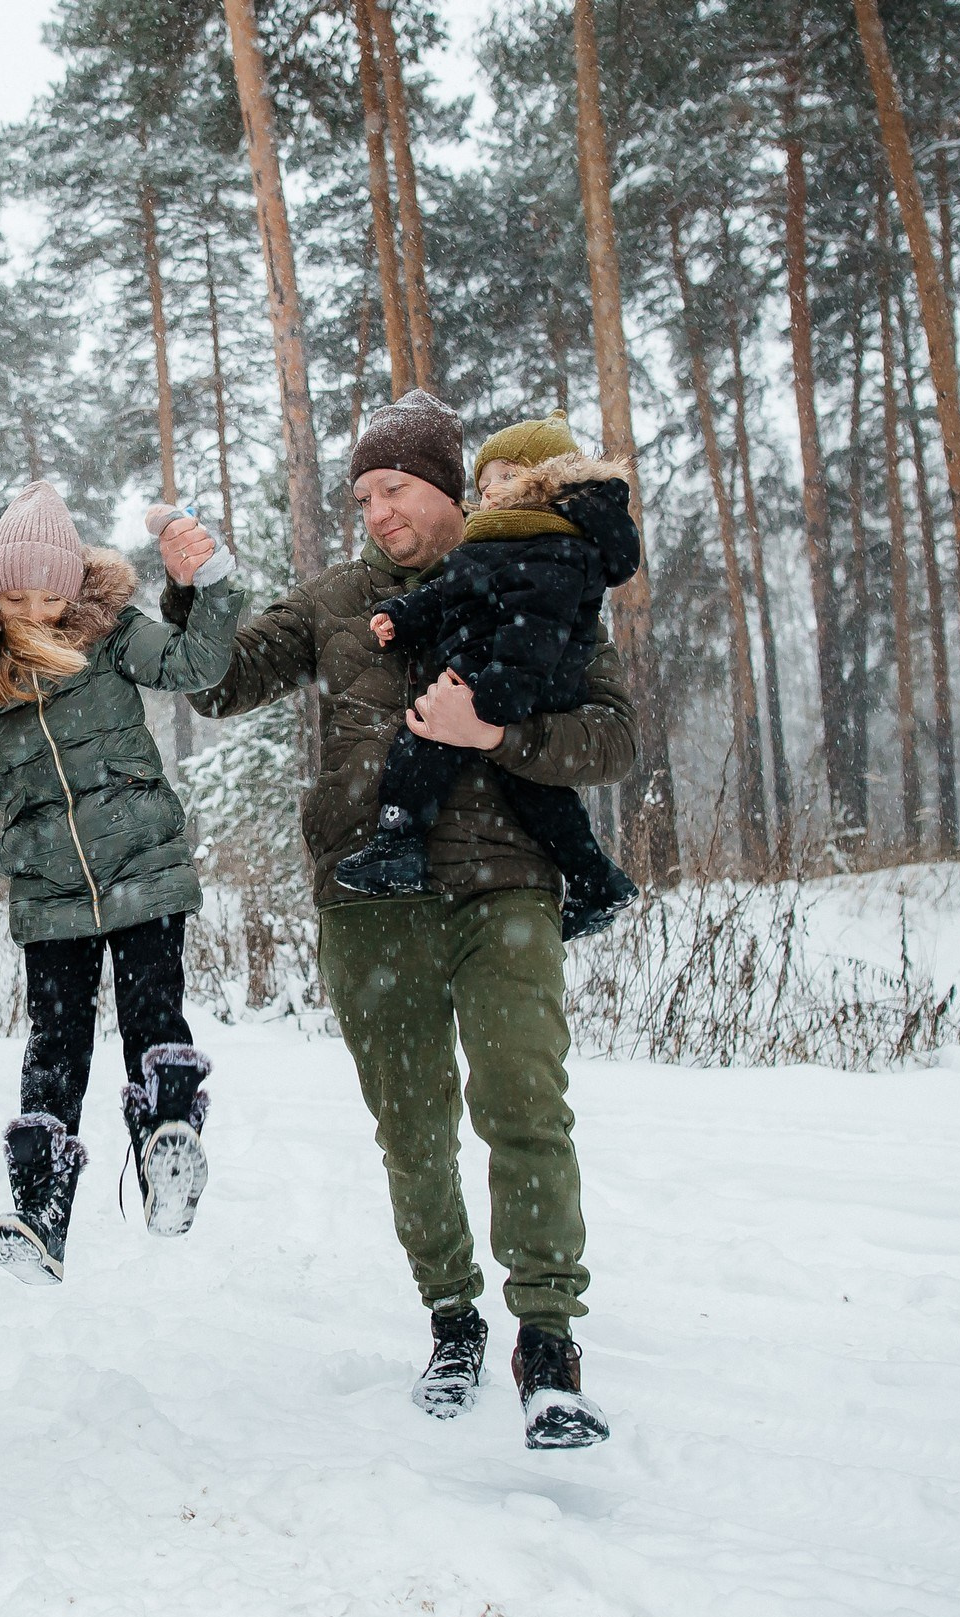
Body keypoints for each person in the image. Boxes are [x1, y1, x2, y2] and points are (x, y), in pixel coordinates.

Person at [172, 390, 631, 1448]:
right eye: (363, 496)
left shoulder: (539, 566)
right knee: (413, 1127)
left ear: (449, 489)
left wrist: (497, 735)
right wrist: (196, 591)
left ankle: (549, 1343)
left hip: (502, 881)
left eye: (396, 489)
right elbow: (220, 683)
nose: (377, 511)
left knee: (524, 1103)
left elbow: (612, 738)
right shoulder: (336, 600)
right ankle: (452, 1318)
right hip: (367, 897)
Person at [0, 481, 246, 1282]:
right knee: (55, 1046)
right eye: (14, 596)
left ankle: (167, 1148)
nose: (31, 611)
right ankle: (40, 1212)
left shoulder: (111, 634)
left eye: (48, 595)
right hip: (48, 890)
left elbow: (195, 661)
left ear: (73, 587)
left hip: (143, 867)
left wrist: (213, 584)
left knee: (153, 1012)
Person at [335, 411, 642, 940]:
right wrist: (403, 617)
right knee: (535, 794)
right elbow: (449, 592)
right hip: (495, 676)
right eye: (484, 483)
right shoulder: (497, 542)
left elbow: (537, 628)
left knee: (421, 741)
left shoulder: (553, 547)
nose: (492, 490)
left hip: (506, 681)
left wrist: (493, 702)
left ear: (547, 482)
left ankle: (398, 842)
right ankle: (594, 878)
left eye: (507, 477)